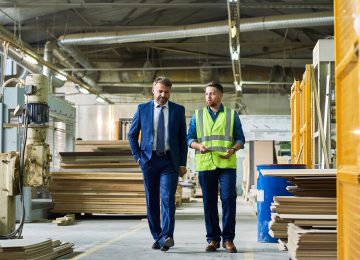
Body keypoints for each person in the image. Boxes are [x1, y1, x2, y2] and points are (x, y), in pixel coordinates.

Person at [128, 76, 188, 252]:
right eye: (160, 91)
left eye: (166, 92)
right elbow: (132, 135)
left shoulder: (178, 110)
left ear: (170, 92)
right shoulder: (142, 109)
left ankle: (167, 236)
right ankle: (158, 237)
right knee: (151, 200)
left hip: (170, 161)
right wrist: (138, 157)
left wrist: (182, 163)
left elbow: (181, 140)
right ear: (153, 90)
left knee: (168, 199)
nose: (163, 94)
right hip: (149, 161)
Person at [187, 81, 245, 253]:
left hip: (226, 163)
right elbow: (189, 139)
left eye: (211, 93)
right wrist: (198, 146)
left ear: (220, 95)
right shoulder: (197, 115)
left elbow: (240, 139)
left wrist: (233, 149)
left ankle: (228, 239)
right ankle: (213, 239)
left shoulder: (231, 114)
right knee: (209, 202)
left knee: (228, 200)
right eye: (206, 94)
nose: (208, 97)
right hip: (205, 164)